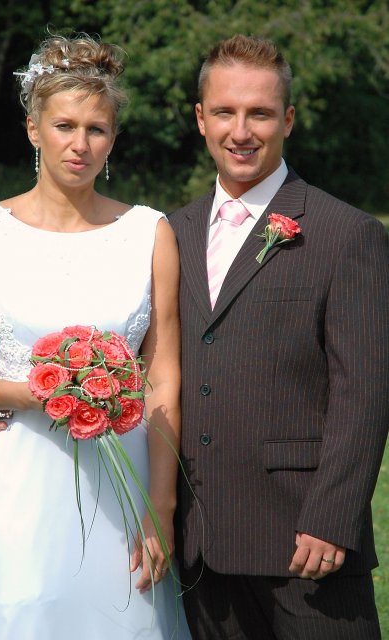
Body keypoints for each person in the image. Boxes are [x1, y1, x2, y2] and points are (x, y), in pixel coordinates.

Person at [0, 33, 191, 639]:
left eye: (97, 129)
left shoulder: (149, 233)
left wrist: (161, 504)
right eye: (65, 126)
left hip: (124, 485)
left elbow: (163, 376)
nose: (80, 144)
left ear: (113, 139)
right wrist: (34, 394)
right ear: (33, 129)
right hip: (18, 479)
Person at [167, 34, 389, 639]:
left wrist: (332, 517)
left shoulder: (347, 234)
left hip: (305, 544)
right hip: (200, 544)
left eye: (260, 113)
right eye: (225, 112)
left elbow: (364, 392)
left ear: (287, 120)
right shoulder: (171, 233)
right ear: (201, 118)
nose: (241, 131)